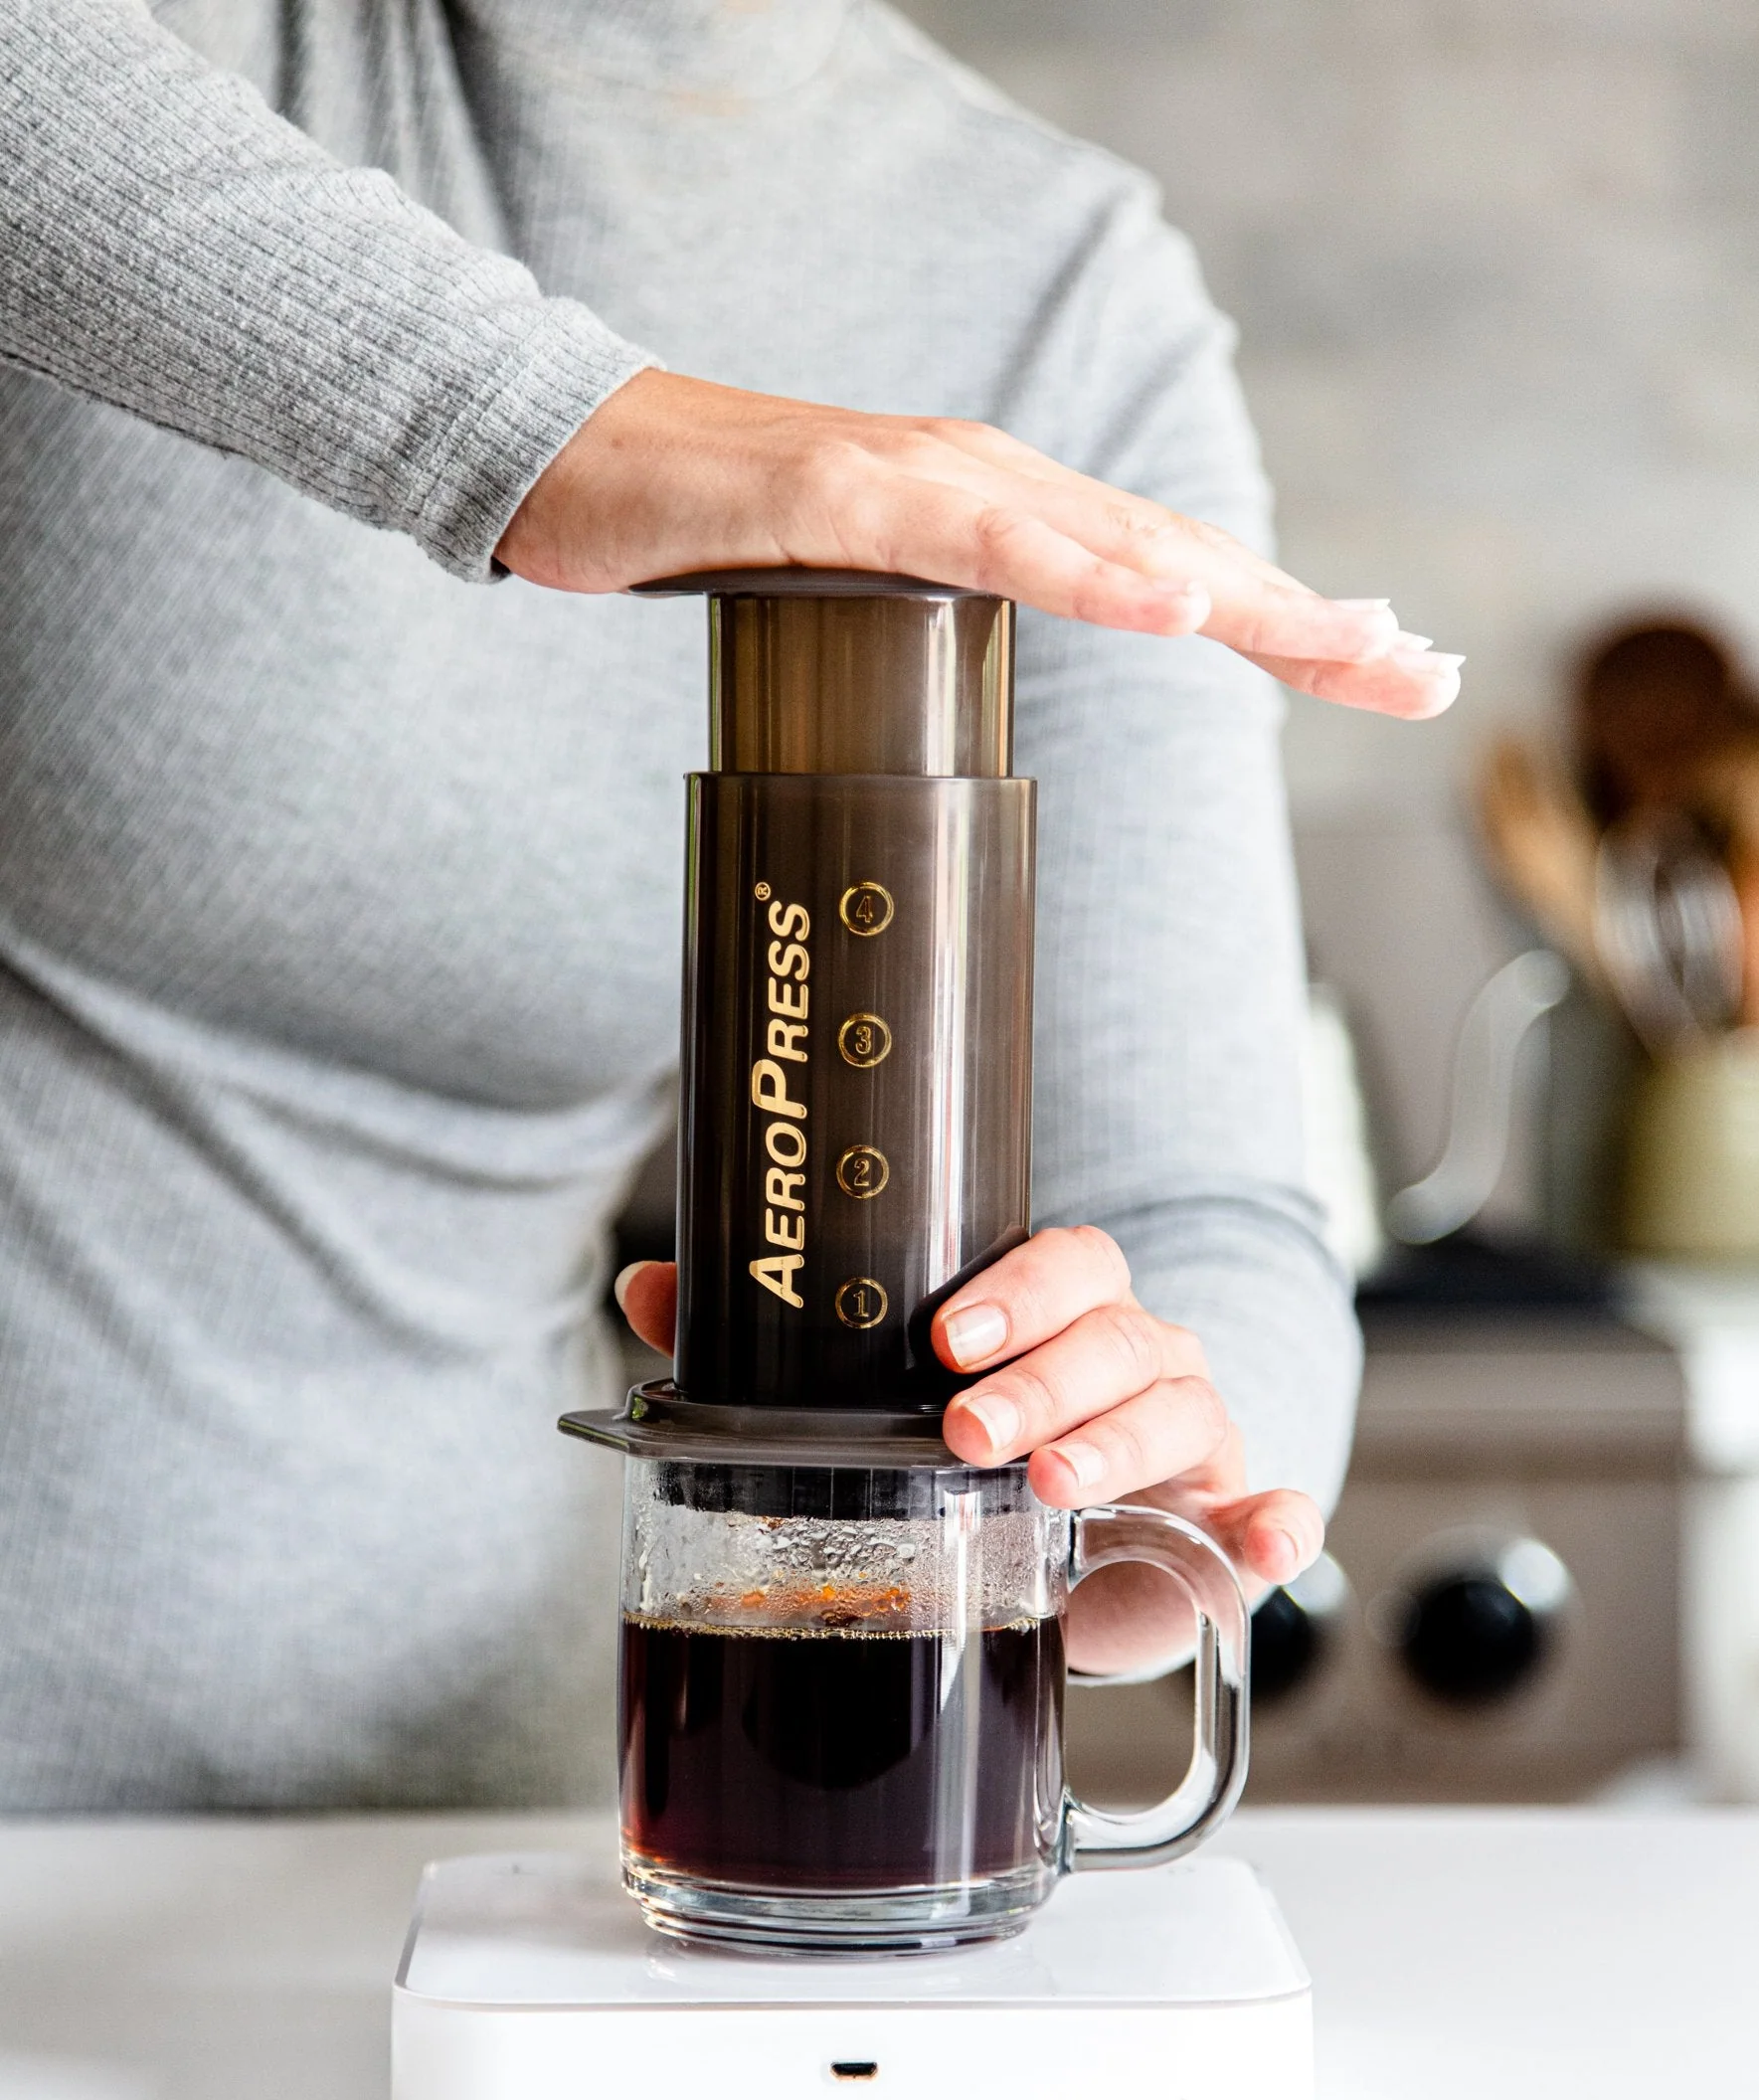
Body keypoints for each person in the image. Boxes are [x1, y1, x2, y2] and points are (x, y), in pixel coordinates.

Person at [0, 0, 1458, 1809]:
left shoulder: (1055, 289)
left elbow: (1198, 1209)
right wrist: (566, 436)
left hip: (470, 1822)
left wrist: (1137, 1452)